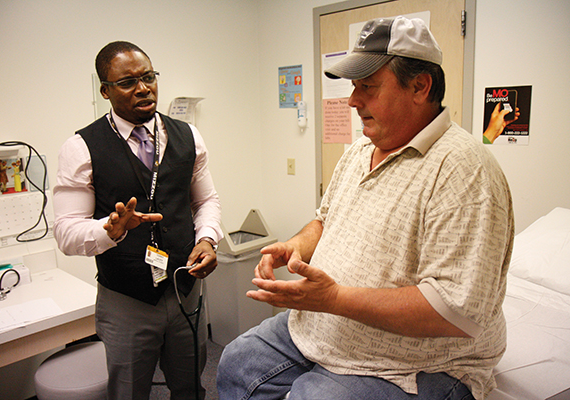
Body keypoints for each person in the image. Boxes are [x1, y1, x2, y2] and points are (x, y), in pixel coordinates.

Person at [217, 16, 513, 400]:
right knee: (235, 362)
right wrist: (296, 245)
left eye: (368, 87)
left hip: (411, 363)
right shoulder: (359, 151)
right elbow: (325, 220)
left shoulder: (464, 169)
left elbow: (456, 310)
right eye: (354, 87)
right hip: (324, 328)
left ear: (420, 86)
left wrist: (334, 299)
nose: (353, 100)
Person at [53, 41, 222, 400]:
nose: (143, 88)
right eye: (128, 82)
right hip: (126, 301)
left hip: (184, 291)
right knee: (129, 393)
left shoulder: (188, 136)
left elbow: (205, 200)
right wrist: (106, 230)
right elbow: (66, 231)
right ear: (106, 90)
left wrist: (207, 238)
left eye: (148, 77)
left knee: (191, 386)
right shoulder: (80, 148)